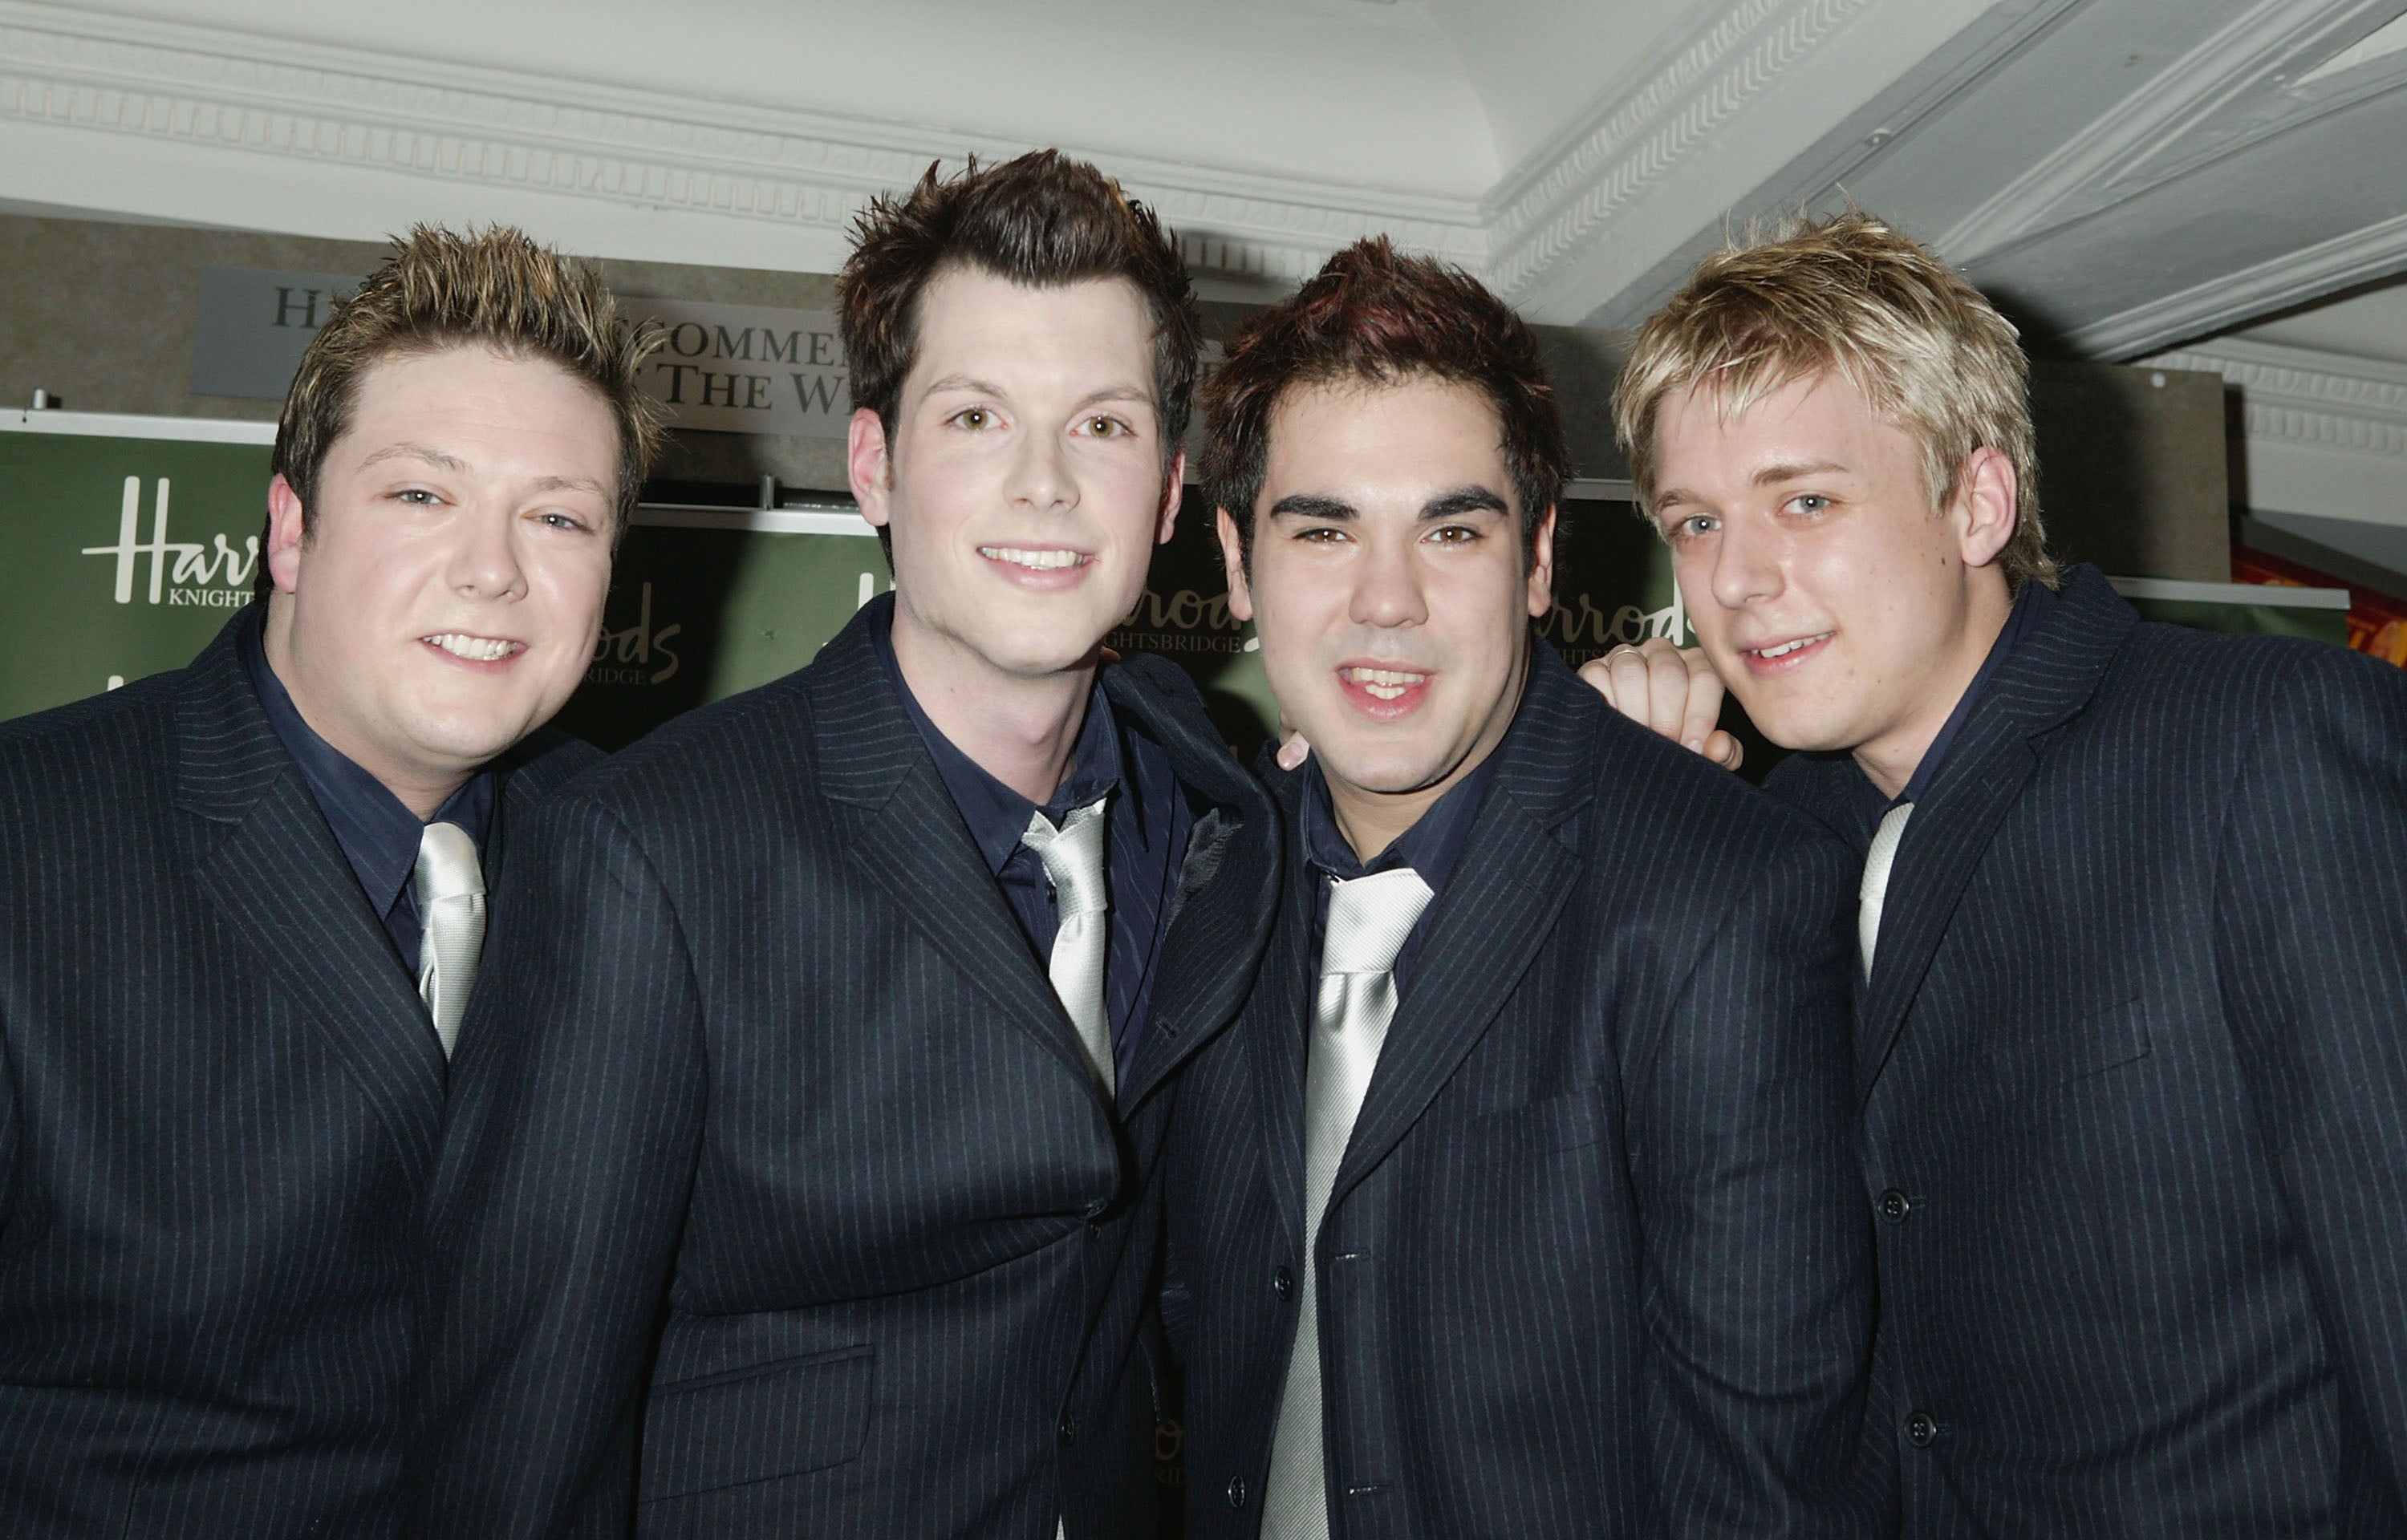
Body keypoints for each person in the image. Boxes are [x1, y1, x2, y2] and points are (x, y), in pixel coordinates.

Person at [407, 151, 1280, 1538]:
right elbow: (516, 1446)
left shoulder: (1219, 805)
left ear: (1170, 491)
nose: (1047, 485)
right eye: (979, 416)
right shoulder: (645, 853)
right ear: (874, 463)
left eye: (1104, 427)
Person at [1612, 211, 2407, 1534]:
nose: (1737, 579)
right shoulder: (1752, 840)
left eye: (1805, 501)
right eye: (1693, 523)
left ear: (1978, 501)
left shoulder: (2266, 742)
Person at [1160, 237, 1881, 1540]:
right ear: (1233, 562)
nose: (1388, 603)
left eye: (1452, 529)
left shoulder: (1723, 892)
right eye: (1324, 530)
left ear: (1541, 559)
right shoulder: (1205, 869)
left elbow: (1771, 1479)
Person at [0, 225, 655, 1537]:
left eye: (561, 516)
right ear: (290, 529)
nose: (493, 569)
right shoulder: (27, 837)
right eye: (423, 496)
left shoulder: (651, 856)